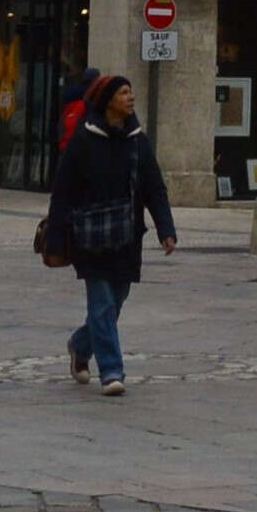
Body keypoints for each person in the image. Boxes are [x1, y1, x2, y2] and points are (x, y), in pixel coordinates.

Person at [43, 73, 175, 395]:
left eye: (131, 92)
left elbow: (154, 187)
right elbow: (62, 191)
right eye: (124, 93)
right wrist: (56, 236)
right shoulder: (84, 140)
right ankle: (112, 372)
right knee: (101, 303)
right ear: (108, 101)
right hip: (90, 235)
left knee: (115, 303)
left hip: (127, 236)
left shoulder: (137, 140)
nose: (131, 98)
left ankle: (79, 345)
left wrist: (166, 229)